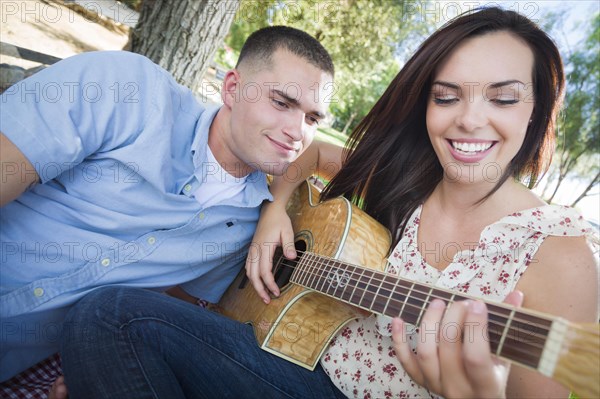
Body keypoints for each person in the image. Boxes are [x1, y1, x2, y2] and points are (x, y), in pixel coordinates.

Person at [59, 6, 598, 399]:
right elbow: (312, 152)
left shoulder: (561, 251)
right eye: (446, 96)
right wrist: (276, 208)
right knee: (109, 315)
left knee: (110, 325)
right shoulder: (409, 177)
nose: (470, 120)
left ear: (536, 110)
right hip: (289, 356)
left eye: (503, 97)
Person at [0, 25, 334, 391]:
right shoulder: (128, 90)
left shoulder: (244, 228)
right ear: (233, 89)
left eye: (312, 119)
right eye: (281, 102)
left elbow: (156, 315)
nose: (297, 131)